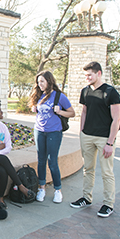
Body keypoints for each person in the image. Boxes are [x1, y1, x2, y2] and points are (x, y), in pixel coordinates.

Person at [70, 61, 120, 218]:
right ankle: (86, 198)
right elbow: (84, 112)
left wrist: (110, 143)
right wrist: (82, 132)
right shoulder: (85, 91)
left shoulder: (110, 92)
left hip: (104, 138)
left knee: (106, 172)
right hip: (87, 136)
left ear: (99, 73)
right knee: (88, 169)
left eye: (89, 75)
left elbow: (116, 119)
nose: (87, 78)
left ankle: (108, 204)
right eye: (85, 75)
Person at [29, 71, 75, 204]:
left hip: (54, 132)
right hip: (39, 131)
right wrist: (35, 109)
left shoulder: (59, 96)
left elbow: (72, 113)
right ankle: (41, 188)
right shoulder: (38, 95)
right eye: (38, 82)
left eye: (42, 81)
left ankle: (58, 190)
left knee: (52, 161)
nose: (40, 84)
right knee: (41, 160)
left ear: (49, 81)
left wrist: (60, 111)